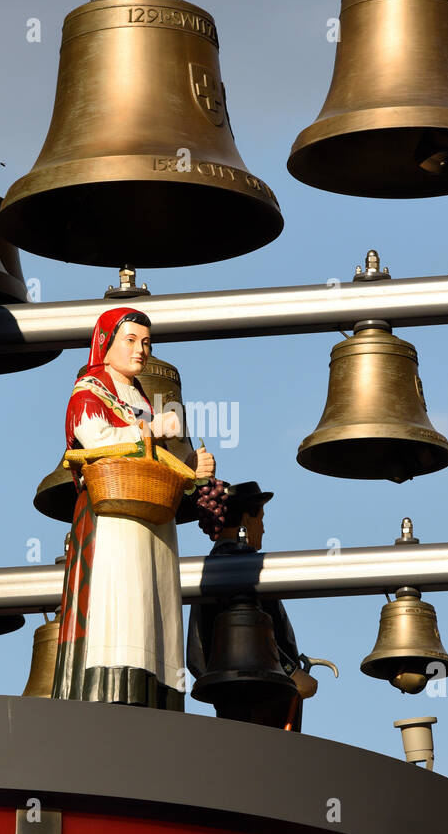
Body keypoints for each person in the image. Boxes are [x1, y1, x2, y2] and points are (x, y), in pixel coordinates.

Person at [51, 306, 215, 707]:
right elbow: (94, 436)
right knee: (122, 600)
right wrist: (152, 429)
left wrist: (193, 471)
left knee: (153, 598)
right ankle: (114, 689)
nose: (141, 350)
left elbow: (158, 458)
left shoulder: (139, 397)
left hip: (152, 516)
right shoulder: (89, 391)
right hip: (113, 518)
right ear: (106, 343)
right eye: (130, 340)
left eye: (146, 342)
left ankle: (157, 689)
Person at [186, 481, 317, 731]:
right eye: (262, 519)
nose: (264, 529)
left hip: (228, 693)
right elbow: (254, 639)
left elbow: (197, 655)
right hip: (259, 696)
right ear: (247, 518)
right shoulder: (245, 567)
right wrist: (290, 672)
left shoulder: (208, 570)